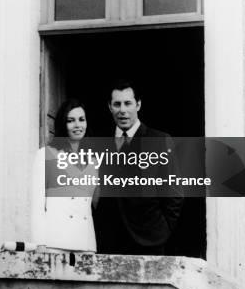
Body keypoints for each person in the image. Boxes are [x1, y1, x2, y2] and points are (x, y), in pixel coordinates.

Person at [93, 79, 184, 255]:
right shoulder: (99, 142)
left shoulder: (159, 140)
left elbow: (174, 193)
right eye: (117, 104)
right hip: (108, 241)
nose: (122, 110)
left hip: (149, 241)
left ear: (138, 104)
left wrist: (163, 230)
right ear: (110, 107)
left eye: (128, 103)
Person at [30, 98, 97, 252]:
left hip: (86, 243)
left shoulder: (93, 161)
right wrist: (40, 243)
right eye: (71, 120)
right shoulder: (45, 155)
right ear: (63, 124)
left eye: (81, 119)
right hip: (55, 242)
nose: (77, 125)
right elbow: (37, 205)